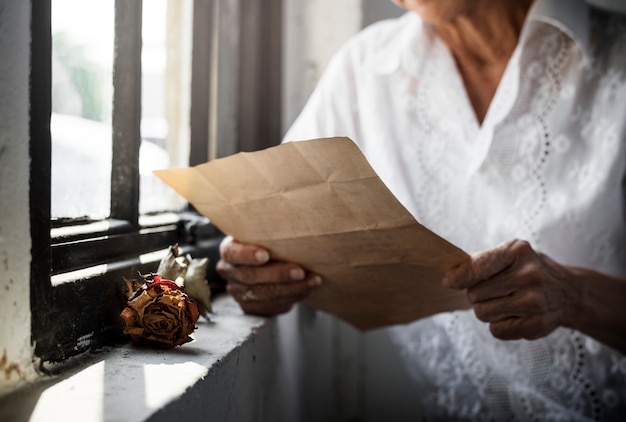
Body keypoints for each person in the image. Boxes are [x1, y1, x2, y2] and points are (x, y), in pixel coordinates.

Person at [217, 0, 626, 419]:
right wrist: (257, 271)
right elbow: (268, 231)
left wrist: (577, 297)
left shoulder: (617, 58)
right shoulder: (364, 71)